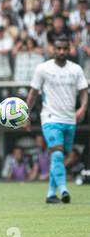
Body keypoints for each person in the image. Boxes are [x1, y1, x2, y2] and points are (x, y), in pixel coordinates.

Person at [25, 35, 88, 204]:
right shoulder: (43, 68)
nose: (61, 51)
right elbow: (33, 93)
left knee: (59, 156)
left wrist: (82, 108)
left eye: (64, 48)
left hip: (70, 119)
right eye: (58, 48)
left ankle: (51, 194)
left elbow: (84, 91)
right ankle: (64, 189)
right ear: (53, 49)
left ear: (69, 49)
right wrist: (26, 114)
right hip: (50, 118)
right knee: (58, 153)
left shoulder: (76, 69)